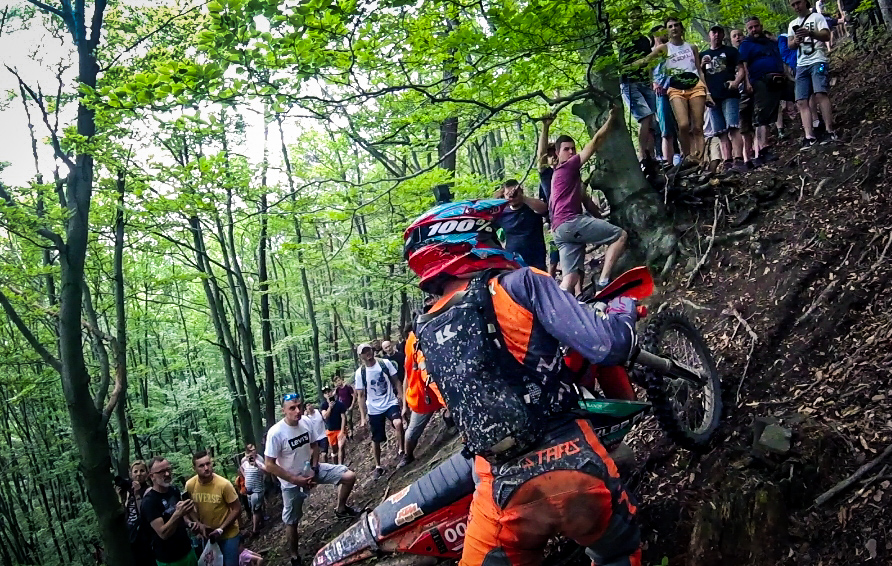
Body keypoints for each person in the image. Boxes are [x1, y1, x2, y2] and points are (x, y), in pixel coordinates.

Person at [403, 199, 640, 566]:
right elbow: (608, 346)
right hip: (572, 460)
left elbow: (421, 404)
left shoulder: (418, 337)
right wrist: (622, 313)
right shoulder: (522, 283)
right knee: (618, 553)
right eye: (490, 232)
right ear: (472, 239)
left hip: (499, 486)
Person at [264, 393, 358, 566]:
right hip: (290, 483)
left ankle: (341, 509)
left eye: (298, 406)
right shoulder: (276, 433)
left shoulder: (306, 422)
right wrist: (294, 479)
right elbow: (269, 464)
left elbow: (314, 445)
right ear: (283, 410)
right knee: (292, 520)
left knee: (348, 476)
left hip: (312, 470)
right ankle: (294, 556)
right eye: (292, 408)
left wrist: (314, 468)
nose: (297, 411)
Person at [549, 105, 627, 294]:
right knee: (620, 236)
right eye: (566, 149)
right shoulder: (567, 167)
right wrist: (612, 119)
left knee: (570, 277)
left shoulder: (561, 177)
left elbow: (585, 200)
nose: (571, 152)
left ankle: (559, 309)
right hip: (570, 223)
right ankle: (603, 281)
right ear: (558, 154)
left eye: (573, 149)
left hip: (559, 230)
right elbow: (595, 142)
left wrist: (598, 217)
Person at [637, 17, 713, 165]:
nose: (674, 28)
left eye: (676, 25)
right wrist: (627, 67)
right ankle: (687, 156)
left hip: (696, 86)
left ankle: (701, 159)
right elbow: (647, 61)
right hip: (676, 88)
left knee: (697, 126)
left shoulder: (692, 47)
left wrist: (707, 92)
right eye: (670, 26)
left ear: (681, 28)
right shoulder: (664, 48)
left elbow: (699, 70)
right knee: (683, 124)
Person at [738, 17, 793, 164]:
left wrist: (787, 74)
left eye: (756, 26)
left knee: (800, 95)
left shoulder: (769, 42)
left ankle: (815, 124)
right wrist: (747, 83)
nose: (754, 30)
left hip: (780, 78)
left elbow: (780, 57)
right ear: (747, 30)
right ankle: (763, 150)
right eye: (751, 28)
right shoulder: (746, 45)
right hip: (761, 81)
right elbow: (743, 65)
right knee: (763, 115)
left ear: (761, 26)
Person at [788, 0, 838, 147]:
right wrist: (796, 40)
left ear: (805, 2)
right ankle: (809, 136)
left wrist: (810, 33)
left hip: (818, 60)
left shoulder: (817, 17)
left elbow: (826, 35)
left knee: (820, 94)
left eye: (798, 3)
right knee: (801, 100)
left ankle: (829, 131)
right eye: (793, 5)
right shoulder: (792, 24)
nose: (796, 6)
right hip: (801, 64)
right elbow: (790, 44)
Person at [701, 26, 747, 174]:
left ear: (723, 35)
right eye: (713, 32)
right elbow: (699, 76)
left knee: (733, 126)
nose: (716, 35)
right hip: (712, 97)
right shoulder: (703, 54)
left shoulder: (731, 51)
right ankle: (727, 161)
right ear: (709, 35)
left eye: (719, 32)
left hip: (729, 93)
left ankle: (738, 158)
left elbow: (741, 69)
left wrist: (736, 82)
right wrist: (701, 65)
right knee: (720, 131)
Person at [354, 342, 404, 478]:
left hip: (390, 401)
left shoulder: (385, 363)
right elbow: (360, 396)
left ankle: (401, 452)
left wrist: (402, 398)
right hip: (374, 408)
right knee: (376, 439)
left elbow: (396, 381)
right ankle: (378, 466)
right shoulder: (360, 373)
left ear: (373, 350)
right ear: (360, 356)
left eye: (368, 350)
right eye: (364, 352)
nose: (367, 353)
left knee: (398, 423)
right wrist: (363, 417)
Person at [185, 451, 241, 566]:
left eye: (208, 464)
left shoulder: (224, 484)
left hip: (228, 534)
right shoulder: (190, 485)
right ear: (194, 468)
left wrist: (221, 529)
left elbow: (236, 508)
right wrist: (197, 524)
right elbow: (188, 507)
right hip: (207, 535)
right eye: (201, 465)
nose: (206, 468)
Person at [619, 7, 659, 167]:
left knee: (652, 121)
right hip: (629, 82)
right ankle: (643, 154)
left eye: (638, 16)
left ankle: (652, 156)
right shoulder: (624, 38)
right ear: (628, 19)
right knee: (645, 116)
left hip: (644, 82)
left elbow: (648, 62)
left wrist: (651, 80)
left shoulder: (644, 40)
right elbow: (623, 64)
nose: (636, 19)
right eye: (632, 17)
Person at [141, 457, 199, 566]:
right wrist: (178, 514)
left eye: (168, 469)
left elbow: (183, 516)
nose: (167, 474)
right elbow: (163, 533)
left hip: (187, 551)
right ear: (152, 476)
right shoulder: (149, 502)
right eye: (162, 472)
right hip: (168, 559)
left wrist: (190, 523)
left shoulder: (174, 490)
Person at [496, 179, 548, 271]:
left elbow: (543, 208)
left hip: (536, 258)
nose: (512, 196)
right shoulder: (502, 213)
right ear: (504, 195)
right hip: (513, 260)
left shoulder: (531, 208)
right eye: (508, 194)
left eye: (515, 193)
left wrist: (523, 198)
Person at [651, 24, 680, 168]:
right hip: (661, 94)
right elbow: (647, 71)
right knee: (666, 129)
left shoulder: (672, 49)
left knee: (683, 125)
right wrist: (654, 83)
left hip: (677, 90)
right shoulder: (651, 53)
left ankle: (688, 157)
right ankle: (668, 163)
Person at [118, 460, 155, 566]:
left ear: (147, 474)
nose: (139, 474)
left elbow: (144, 513)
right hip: (131, 533)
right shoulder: (129, 491)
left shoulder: (149, 490)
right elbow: (125, 513)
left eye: (142, 471)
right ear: (131, 474)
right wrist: (121, 497)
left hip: (144, 535)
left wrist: (138, 495)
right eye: (136, 471)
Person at [730, 28, 757, 168]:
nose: (738, 38)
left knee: (753, 124)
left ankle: (754, 155)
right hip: (737, 96)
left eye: (740, 35)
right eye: (734, 36)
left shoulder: (749, 50)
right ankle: (745, 158)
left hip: (751, 91)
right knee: (742, 127)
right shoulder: (730, 55)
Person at [239, 444, 266, 538]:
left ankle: (255, 530)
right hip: (248, 490)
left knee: (255, 510)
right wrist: (245, 476)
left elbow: (266, 470)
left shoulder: (260, 459)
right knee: (254, 508)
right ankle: (262, 522)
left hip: (258, 488)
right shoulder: (244, 460)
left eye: (254, 449)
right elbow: (241, 469)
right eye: (251, 450)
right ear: (247, 452)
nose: (254, 452)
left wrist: (257, 465)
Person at [320, 388, 348, 464]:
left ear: (332, 392)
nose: (328, 394)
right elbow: (325, 416)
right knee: (334, 450)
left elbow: (343, 417)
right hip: (330, 430)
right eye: (325, 393)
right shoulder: (323, 405)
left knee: (341, 446)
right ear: (324, 395)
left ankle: (341, 465)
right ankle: (335, 466)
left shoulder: (340, 404)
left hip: (340, 429)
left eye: (329, 391)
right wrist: (330, 407)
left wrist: (342, 430)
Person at [333, 375, 356, 439]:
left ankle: (351, 433)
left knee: (349, 420)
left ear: (341, 380)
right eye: (336, 381)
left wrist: (352, 405)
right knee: (344, 421)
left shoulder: (347, 387)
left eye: (339, 380)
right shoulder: (338, 389)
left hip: (348, 406)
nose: (338, 382)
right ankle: (346, 434)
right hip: (342, 408)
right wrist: (336, 388)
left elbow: (353, 395)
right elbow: (333, 395)